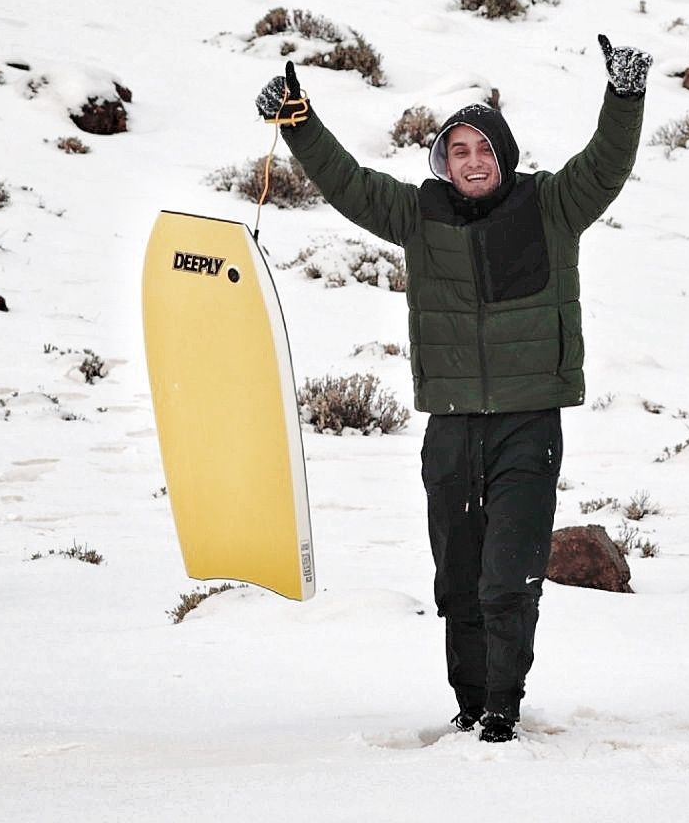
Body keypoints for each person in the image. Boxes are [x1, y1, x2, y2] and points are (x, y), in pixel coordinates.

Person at [253, 37, 651, 742]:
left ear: (504, 156)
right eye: (458, 150)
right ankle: (468, 706)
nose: (472, 161)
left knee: (508, 578)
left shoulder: (552, 206)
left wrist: (623, 98)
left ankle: (502, 707)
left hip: (527, 424)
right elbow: (347, 183)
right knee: (458, 581)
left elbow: (607, 164)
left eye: (483, 149)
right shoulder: (418, 216)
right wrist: (299, 123)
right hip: (451, 427)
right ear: (444, 161)